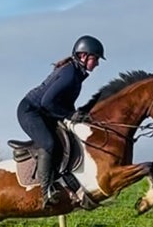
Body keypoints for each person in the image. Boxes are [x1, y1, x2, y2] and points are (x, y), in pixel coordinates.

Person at [17, 34, 105, 207]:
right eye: (95, 59)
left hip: (45, 112)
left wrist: (76, 116)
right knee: (50, 144)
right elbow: (47, 102)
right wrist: (71, 115)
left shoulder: (76, 74)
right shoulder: (70, 74)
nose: (97, 63)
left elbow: (62, 103)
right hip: (30, 112)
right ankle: (46, 192)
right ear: (83, 56)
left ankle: (72, 186)